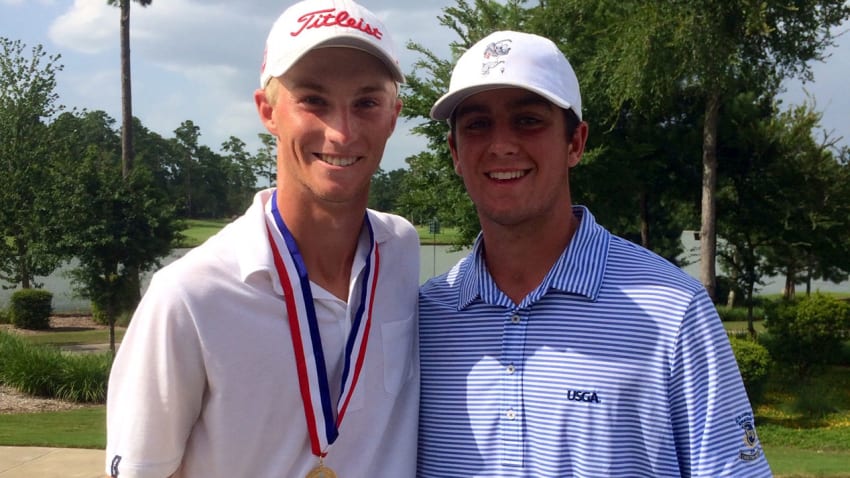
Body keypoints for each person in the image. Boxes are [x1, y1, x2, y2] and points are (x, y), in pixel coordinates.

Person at [417, 30, 772, 477]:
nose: (501, 144)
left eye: (528, 120)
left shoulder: (672, 311)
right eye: (477, 125)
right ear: (454, 151)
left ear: (576, 143)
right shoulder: (425, 319)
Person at [105, 1, 420, 476]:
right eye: (313, 100)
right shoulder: (190, 295)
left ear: (393, 116)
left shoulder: (401, 249)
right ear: (268, 111)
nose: (341, 131)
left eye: (366, 102)